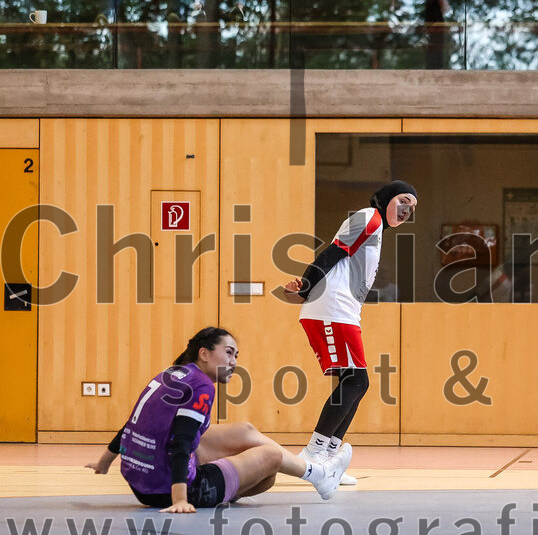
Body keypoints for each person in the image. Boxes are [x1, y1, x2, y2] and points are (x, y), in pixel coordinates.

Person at [87, 327, 351, 512]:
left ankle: (315, 472)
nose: (234, 361)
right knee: (270, 457)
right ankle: (321, 475)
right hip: (173, 489)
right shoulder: (202, 385)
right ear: (204, 354)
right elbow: (181, 443)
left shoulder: (172, 373)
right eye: (228, 353)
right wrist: (179, 499)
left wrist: (104, 463)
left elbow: (132, 424)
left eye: (236, 355)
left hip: (142, 483)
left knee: (250, 439)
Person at [284, 182, 419, 485]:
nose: (408, 209)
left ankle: (331, 456)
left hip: (342, 310)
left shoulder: (377, 228)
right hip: (331, 307)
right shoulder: (369, 216)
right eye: (403, 201)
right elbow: (330, 255)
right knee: (355, 381)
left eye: (413, 207)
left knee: (358, 382)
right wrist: (305, 288)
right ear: (385, 199)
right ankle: (313, 453)